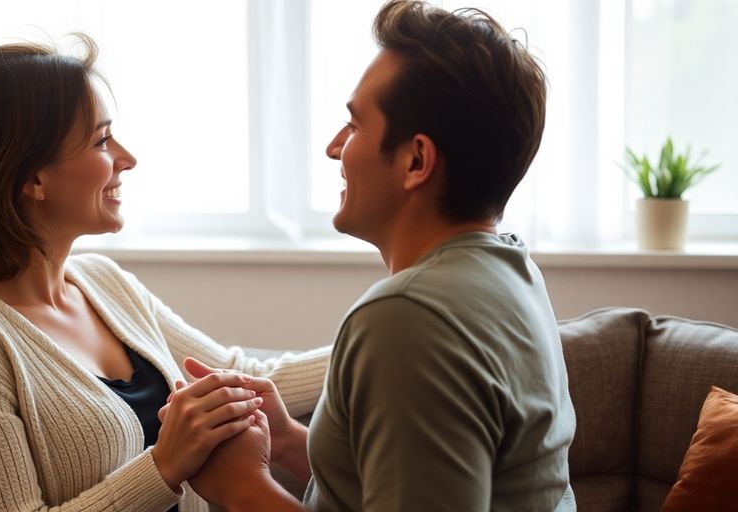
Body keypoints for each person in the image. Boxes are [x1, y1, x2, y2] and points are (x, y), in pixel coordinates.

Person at [0, 36, 330, 512]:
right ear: (31, 178)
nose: (127, 158)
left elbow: (240, 374)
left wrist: (385, 344)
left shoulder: (101, 282)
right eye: (101, 140)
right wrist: (163, 466)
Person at [182, 1, 577, 511]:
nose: (333, 148)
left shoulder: (407, 319)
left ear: (416, 161)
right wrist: (285, 439)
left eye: (354, 125)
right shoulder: (510, 272)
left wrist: (243, 490)